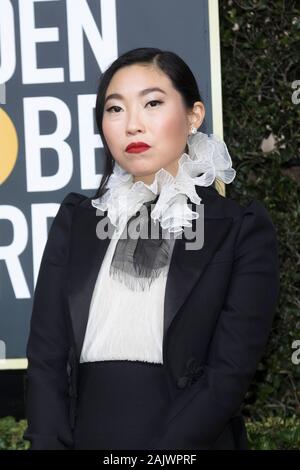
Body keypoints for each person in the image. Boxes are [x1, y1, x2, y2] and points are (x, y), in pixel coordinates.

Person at [23, 47, 280, 450]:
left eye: (153, 104)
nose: (132, 125)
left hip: (189, 442)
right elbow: (45, 358)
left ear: (193, 116)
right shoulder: (76, 221)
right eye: (115, 109)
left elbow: (228, 374)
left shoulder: (240, 227)